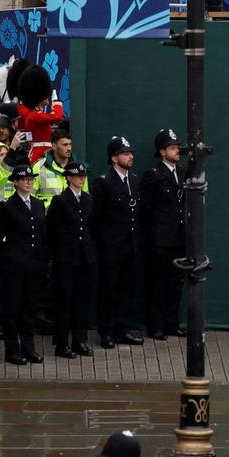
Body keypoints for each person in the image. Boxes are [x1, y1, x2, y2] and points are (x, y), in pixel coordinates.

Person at [0, 158, 45, 365]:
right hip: (14, 265)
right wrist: (7, 258)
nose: (29, 182)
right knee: (12, 308)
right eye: (24, 179)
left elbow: (42, 234)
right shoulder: (8, 206)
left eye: (31, 179)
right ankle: (12, 349)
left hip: (33, 264)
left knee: (29, 308)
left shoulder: (39, 205)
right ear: (16, 182)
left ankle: (29, 347)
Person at [93, 135, 142, 349]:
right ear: (114, 158)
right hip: (110, 246)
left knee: (127, 288)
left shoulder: (135, 181)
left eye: (131, 153)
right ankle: (107, 331)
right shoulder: (103, 182)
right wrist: (104, 243)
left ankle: (123, 328)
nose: (130, 156)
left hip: (130, 245)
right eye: (125, 153)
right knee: (108, 290)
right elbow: (95, 217)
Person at [137, 129, 186, 340]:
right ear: (162, 151)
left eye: (177, 147)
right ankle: (155, 325)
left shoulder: (183, 174)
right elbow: (146, 208)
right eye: (173, 148)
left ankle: (170, 323)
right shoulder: (154, 176)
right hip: (159, 239)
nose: (177, 151)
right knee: (158, 283)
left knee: (175, 283)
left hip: (179, 237)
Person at [47, 159, 97, 359]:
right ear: (68, 178)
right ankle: (61, 343)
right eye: (77, 176)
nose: (81, 179)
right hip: (66, 258)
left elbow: (92, 227)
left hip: (85, 257)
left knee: (81, 301)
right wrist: (55, 255)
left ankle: (79, 340)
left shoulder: (88, 200)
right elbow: (51, 231)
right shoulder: (60, 201)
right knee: (63, 301)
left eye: (83, 176)